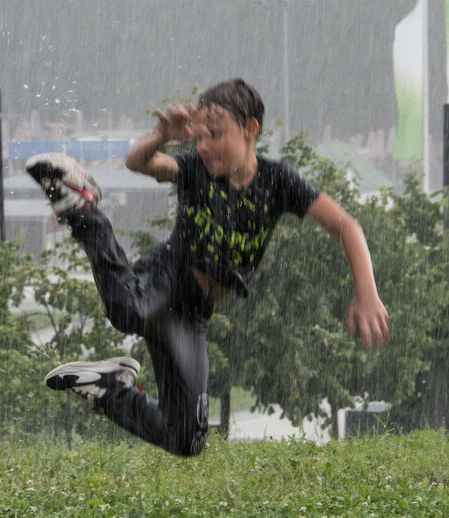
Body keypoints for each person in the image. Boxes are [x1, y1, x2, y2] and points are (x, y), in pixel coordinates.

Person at [27, 78, 390, 456]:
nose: (204, 146)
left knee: (187, 438)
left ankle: (108, 389)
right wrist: (161, 137)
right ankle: (85, 209)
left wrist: (366, 292)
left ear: (250, 130)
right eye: (199, 137)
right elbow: (139, 162)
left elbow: (347, 226)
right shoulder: (193, 169)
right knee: (127, 308)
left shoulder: (279, 181)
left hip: (191, 314)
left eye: (215, 135)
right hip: (169, 276)